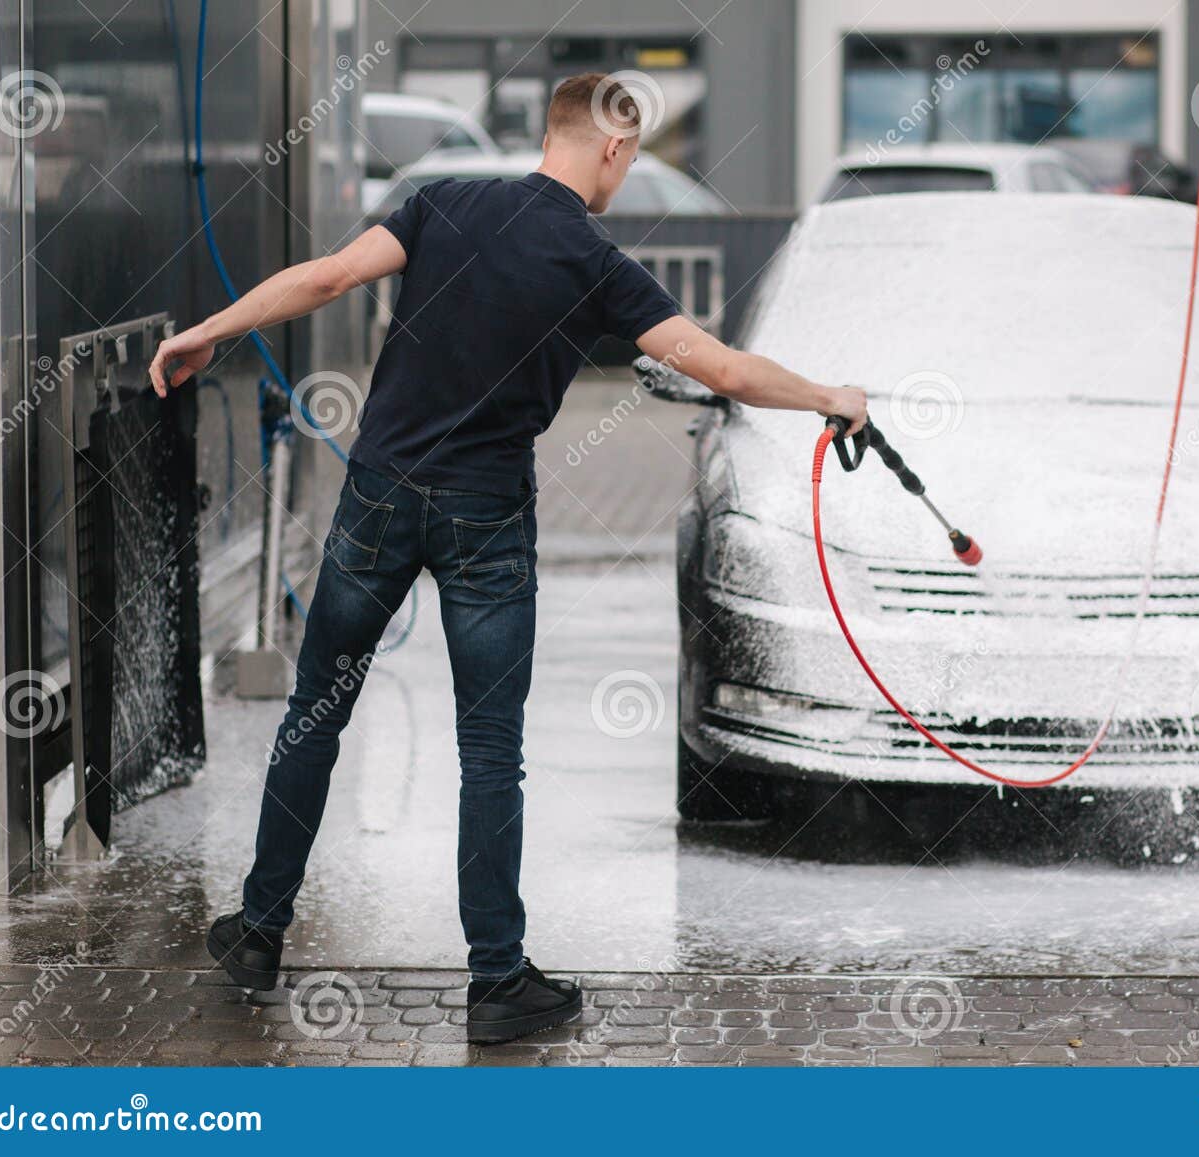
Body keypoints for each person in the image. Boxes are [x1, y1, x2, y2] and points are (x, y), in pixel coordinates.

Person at [147, 72, 867, 1044]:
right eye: (634, 154)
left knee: (317, 709)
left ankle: (259, 933)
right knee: (490, 751)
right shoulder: (593, 259)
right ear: (609, 146)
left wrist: (206, 332)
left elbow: (323, 279)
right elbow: (724, 367)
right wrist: (833, 396)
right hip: (486, 517)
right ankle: (496, 981)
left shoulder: (441, 203)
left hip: (381, 493)